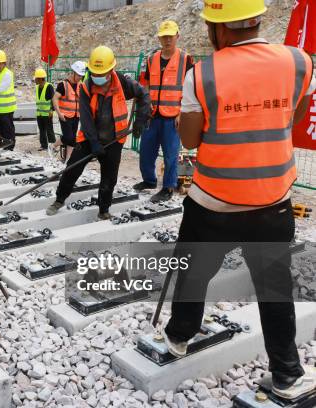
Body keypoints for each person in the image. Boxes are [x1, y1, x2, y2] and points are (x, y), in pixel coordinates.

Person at [162, 0, 316, 400]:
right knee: (274, 288)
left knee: (194, 272)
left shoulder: (202, 75)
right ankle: (286, 373)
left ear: (219, 29)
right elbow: (294, 116)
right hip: (272, 203)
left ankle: (179, 337)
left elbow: (191, 139)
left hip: (213, 202)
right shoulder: (299, 62)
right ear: (257, 18)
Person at [46, 46, 151, 219]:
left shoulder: (123, 83)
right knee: (71, 169)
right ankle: (59, 199)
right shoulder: (86, 87)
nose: (98, 78)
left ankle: (103, 210)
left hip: (114, 139)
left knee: (109, 178)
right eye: (95, 73)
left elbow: (144, 95)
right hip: (89, 138)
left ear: (111, 70)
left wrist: (140, 119)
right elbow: (86, 119)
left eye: (101, 74)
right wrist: (94, 142)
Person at [134, 20, 195, 203]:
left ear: (177, 36)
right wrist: (143, 111)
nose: (167, 40)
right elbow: (143, 86)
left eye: (170, 36)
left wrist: (181, 113)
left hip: (173, 117)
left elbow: (192, 90)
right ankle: (149, 180)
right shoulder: (151, 59)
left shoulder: (186, 60)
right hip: (152, 116)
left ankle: (168, 187)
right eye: (163, 37)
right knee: (146, 151)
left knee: (170, 155)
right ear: (159, 38)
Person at [52, 61, 86, 161]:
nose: (80, 77)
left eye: (82, 76)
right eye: (79, 75)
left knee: (72, 140)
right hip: (64, 115)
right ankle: (53, 145)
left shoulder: (81, 85)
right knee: (68, 137)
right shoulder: (63, 85)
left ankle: (68, 160)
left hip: (76, 116)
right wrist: (58, 113)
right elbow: (55, 98)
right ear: (73, 72)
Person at [33, 68, 55, 151]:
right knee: (41, 130)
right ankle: (44, 145)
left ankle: (52, 145)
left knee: (49, 130)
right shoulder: (37, 87)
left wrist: (51, 109)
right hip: (40, 113)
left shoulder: (49, 86)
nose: (35, 80)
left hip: (47, 113)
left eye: (36, 78)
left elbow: (53, 98)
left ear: (40, 78)